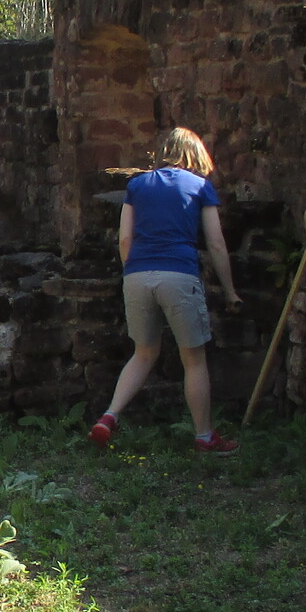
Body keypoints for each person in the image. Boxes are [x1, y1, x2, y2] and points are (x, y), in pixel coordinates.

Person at [89, 126, 243, 455]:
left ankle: (109, 415)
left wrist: (132, 271)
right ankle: (204, 436)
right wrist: (230, 290)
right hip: (179, 273)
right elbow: (216, 244)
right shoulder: (200, 186)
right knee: (194, 360)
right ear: (195, 154)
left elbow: (125, 239)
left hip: (137, 274)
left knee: (143, 353)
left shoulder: (137, 185)